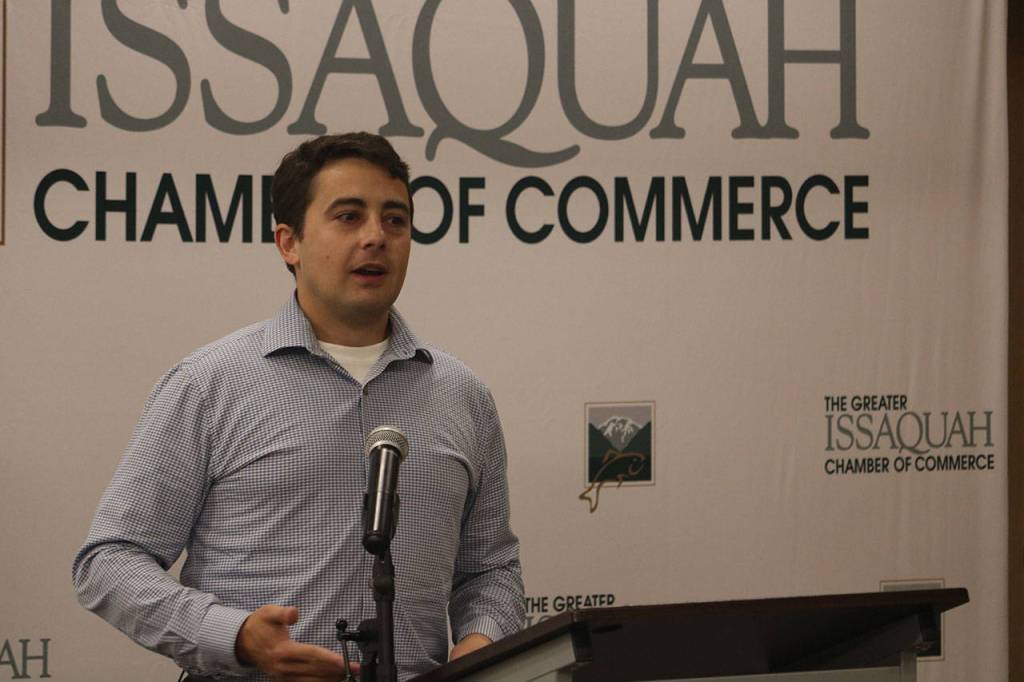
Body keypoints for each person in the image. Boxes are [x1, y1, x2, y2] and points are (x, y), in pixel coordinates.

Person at [73, 132, 525, 681]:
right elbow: (109, 561)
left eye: (395, 220)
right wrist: (235, 637)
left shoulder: (463, 395)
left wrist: (478, 647)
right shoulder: (212, 382)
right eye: (349, 217)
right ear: (290, 243)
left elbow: (490, 569)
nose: (376, 238)